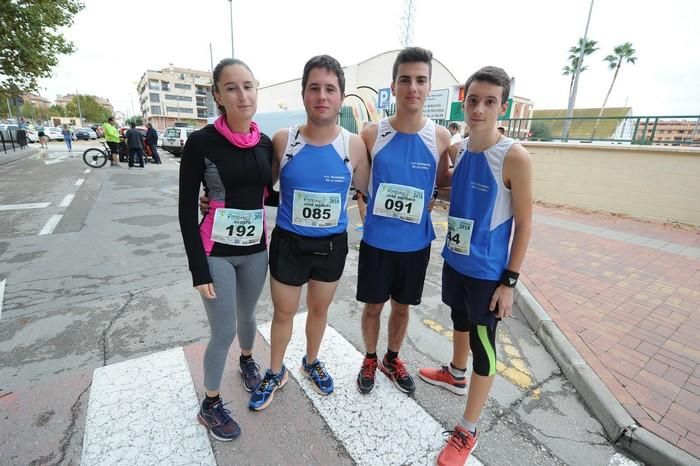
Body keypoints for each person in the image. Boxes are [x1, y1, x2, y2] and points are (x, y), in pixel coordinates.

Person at [418, 66, 533, 465]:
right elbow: (449, 187)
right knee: (459, 321)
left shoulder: (514, 156)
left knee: (485, 348)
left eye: (489, 102)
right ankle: (455, 372)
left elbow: (525, 223)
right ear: (463, 101)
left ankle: (467, 431)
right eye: (473, 101)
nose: (479, 109)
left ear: (503, 106)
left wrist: (510, 282)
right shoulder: (459, 148)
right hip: (455, 260)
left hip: (488, 273)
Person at [246, 55, 370, 411]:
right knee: (283, 314)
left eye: (330, 89)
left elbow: (366, 192)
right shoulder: (285, 141)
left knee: (319, 310)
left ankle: (311, 361)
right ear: (303, 94)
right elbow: (259, 187)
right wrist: (215, 200)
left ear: (341, 97)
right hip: (289, 244)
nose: (322, 96)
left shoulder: (354, 145)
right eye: (314, 88)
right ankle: (275, 371)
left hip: (331, 245)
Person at [178, 58, 275, 442]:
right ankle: (210, 403)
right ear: (218, 95)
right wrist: (197, 270)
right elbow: (186, 210)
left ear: (256, 90)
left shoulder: (265, 142)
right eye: (231, 87)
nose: (242, 94)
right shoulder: (200, 142)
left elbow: (269, 193)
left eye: (248, 86)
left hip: (255, 250)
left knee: (249, 315)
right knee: (224, 330)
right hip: (214, 252)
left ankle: (248, 363)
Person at [355, 47, 451, 396]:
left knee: (401, 306)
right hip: (377, 243)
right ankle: (369, 357)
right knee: (373, 306)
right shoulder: (371, 133)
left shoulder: (441, 138)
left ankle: (391, 358)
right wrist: (367, 218)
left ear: (428, 87)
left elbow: (442, 186)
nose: (413, 87)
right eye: (405, 80)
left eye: (420, 80)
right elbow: (358, 185)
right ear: (393, 86)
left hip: (415, 245)